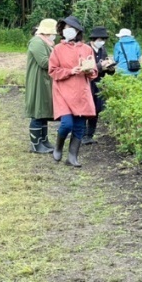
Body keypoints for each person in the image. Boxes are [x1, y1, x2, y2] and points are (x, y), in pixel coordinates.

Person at [48, 16, 97, 168]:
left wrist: (88, 70)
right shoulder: (58, 49)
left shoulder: (86, 49)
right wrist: (70, 71)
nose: (68, 31)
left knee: (79, 126)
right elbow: (53, 71)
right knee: (67, 124)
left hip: (81, 92)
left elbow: (94, 72)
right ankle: (58, 146)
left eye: (72, 28)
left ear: (78, 31)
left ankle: (72, 157)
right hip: (63, 91)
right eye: (65, 28)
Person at [25, 18, 57, 153]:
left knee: (43, 111)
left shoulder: (47, 42)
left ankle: (44, 141)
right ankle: (36, 144)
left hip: (46, 80)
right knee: (38, 112)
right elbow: (44, 62)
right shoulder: (37, 42)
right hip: (38, 80)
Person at [83, 26, 116, 144]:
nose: (101, 41)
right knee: (85, 109)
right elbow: (85, 69)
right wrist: (100, 66)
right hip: (86, 83)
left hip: (98, 83)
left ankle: (89, 135)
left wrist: (110, 68)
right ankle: (81, 135)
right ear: (93, 39)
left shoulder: (103, 50)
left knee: (96, 109)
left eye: (103, 39)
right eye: (100, 39)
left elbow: (106, 70)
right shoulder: (85, 49)